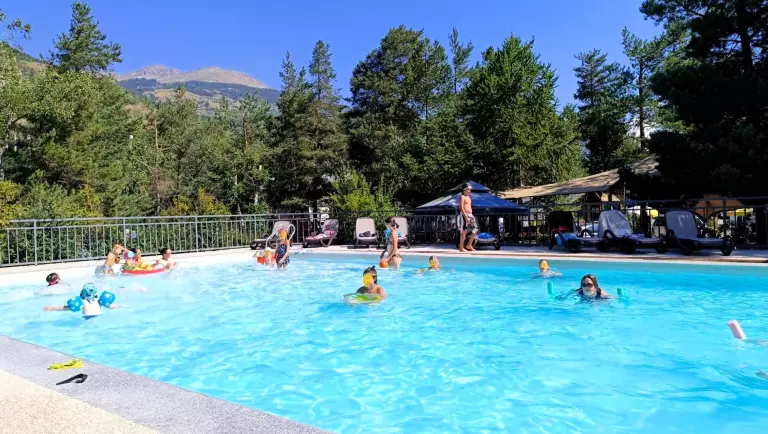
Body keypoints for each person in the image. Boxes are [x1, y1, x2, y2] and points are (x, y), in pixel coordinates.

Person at [43, 284, 118, 319]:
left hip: (86, 319)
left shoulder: (82, 301)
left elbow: (66, 308)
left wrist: (51, 308)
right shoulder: (99, 300)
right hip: (99, 317)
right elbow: (111, 306)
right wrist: (118, 306)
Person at [458, 183, 478, 252]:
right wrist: (466, 217)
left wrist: (470, 216)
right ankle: (461, 248)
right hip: (465, 215)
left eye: (470, 189)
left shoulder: (469, 197)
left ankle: (469, 245)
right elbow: (461, 208)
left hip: (470, 215)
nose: (470, 191)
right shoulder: (462, 197)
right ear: (465, 190)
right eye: (468, 189)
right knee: (464, 231)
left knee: (475, 230)